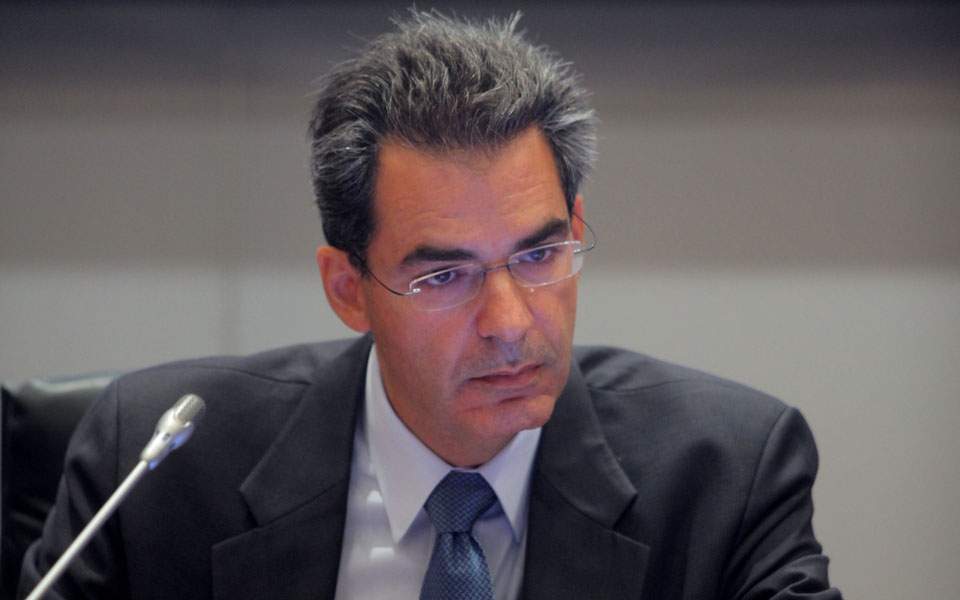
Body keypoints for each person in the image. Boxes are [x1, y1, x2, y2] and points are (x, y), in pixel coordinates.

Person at [19, 10, 842, 600]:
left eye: (540, 254)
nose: (511, 323)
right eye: (444, 276)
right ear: (348, 289)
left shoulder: (726, 474)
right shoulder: (159, 468)